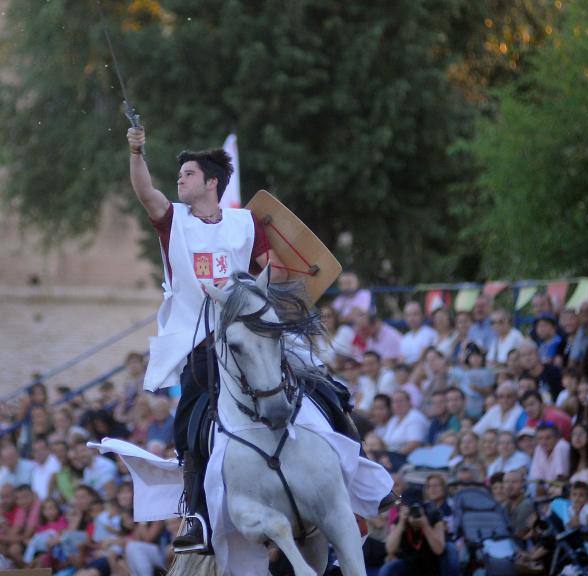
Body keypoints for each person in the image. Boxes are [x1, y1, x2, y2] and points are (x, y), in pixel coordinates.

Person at [126, 125, 392, 552]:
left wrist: (273, 304)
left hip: (258, 333)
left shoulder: (246, 223)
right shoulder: (174, 221)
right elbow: (145, 193)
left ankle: (359, 481)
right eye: (180, 175)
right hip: (202, 342)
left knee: (330, 389)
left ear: (212, 182)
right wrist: (137, 153)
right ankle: (195, 516)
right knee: (189, 423)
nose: (181, 180)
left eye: (189, 174)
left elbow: (276, 271)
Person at [381, 499, 446, 576]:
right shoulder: (400, 519)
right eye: (411, 509)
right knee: (388, 568)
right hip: (407, 563)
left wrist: (425, 525)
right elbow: (390, 549)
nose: (414, 512)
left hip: (431, 563)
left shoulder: (432, 516)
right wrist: (401, 523)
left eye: (417, 508)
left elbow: (439, 550)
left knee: (450, 551)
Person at [528, 421, 570, 488]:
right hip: (548, 491)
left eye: (548, 438)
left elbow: (561, 478)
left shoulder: (561, 446)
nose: (543, 442)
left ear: (557, 438)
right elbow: (537, 479)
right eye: (540, 438)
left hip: (562, 490)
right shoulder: (539, 448)